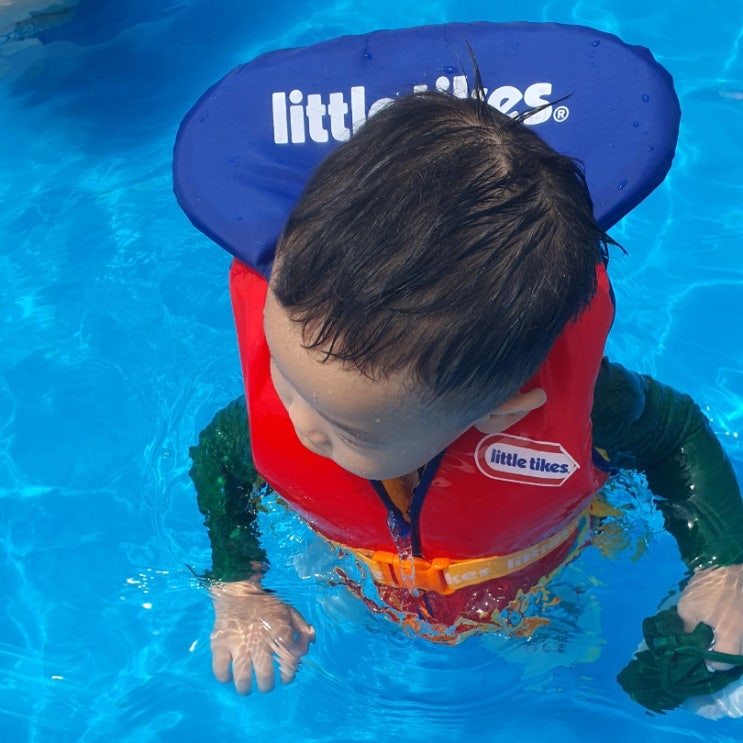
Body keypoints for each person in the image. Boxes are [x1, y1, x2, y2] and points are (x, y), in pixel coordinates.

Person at [188, 88, 743, 699]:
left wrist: (722, 568)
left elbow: (675, 434)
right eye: (283, 377)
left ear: (499, 412)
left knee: (559, 662)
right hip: (353, 563)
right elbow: (223, 453)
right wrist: (237, 587)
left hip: (532, 580)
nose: (299, 425)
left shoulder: (590, 408)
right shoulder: (314, 385)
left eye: (350, 429)